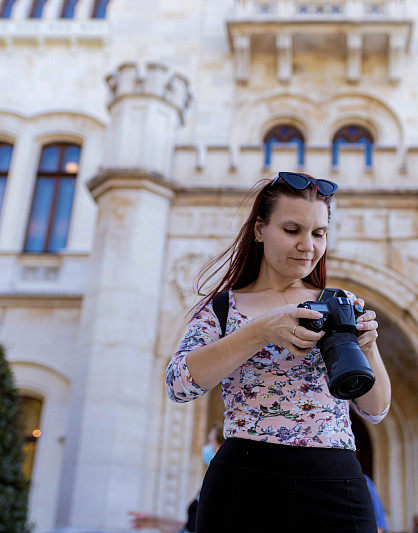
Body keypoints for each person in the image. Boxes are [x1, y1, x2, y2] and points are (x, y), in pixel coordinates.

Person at [164, 172, 392, 533]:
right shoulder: (222, 308)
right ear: (259, 230)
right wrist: (261, 330)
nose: (308, 245)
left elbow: (375, 410)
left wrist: (368, 347)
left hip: (336, 484)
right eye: (292, 230)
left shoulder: (339, 303)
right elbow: (179, 384)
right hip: (245, 482)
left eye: (319, 233)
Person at [128, 422, 225, 533]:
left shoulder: (223, 486)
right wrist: (156, 522)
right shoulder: (208, 483)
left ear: (222, 447)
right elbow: (190, 528)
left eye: (210, 442)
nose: (207, 447)